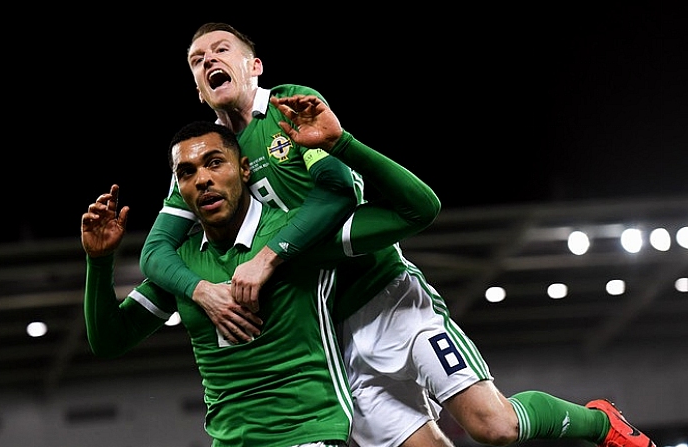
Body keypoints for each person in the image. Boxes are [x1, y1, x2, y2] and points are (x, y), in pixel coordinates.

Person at [139, 22, 656, 447]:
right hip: (329, 335)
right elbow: (156, 252)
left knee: (493, 427)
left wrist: (270, 254)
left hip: (388, 295)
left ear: (253, 65)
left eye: (221, 50)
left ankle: (599, 422)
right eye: (196, 60)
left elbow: (339, 192)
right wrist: (200, 289)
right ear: (197, 86)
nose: (208, 61)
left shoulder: (290, 109)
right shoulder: (206, 158)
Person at [82, 95, 443, 446]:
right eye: (187, 172)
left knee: (495, 428)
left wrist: (343, 143)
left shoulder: (295, 239)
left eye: (214, 163)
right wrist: (99, 262)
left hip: (308, 434)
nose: (202, 179)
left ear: (243, 169)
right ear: (179, 188)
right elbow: (111, 340)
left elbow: (419, 210)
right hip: (227, 441)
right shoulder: (184, 265)